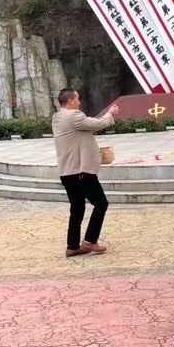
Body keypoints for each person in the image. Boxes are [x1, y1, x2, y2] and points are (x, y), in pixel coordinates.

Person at [52, 88, 119, 258]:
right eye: (77, 99)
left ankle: (72, 246)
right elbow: (97, 124)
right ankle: (90, 240)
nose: (79, 102)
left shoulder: (57, 117)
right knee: (101, 204)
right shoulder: (74, 116)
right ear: (70, 101)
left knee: (77, 208)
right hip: (81, 172)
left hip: (67, 172)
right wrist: (111, 113)